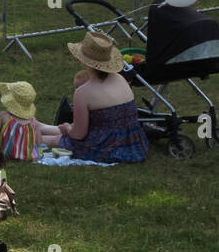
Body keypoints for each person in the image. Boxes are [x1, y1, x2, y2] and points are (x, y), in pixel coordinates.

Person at [48, 31, 149, 163]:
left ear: (84, 61)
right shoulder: (120, 79)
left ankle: (21, 136)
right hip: (133, 145)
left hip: (104, 147)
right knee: (60, 133)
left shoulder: (84, 92)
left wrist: (67, 128)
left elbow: (79, 134)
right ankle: (34, 127)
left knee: (54, 140)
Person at [0, 81, 59, 162]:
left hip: (5, 153)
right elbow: (38, 142)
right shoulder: (33, 121)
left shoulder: (3, 116)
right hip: (28, 156)